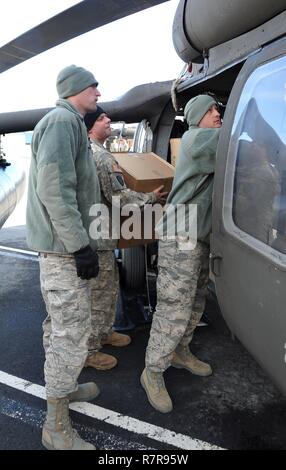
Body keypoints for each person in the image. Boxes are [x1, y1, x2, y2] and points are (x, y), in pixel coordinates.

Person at [26, 65, 102, 450]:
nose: (99, 93)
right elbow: (55, 189)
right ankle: (55, 427)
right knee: (71, 333)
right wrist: (79, 246)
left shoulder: (68, 121)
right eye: (94, 87)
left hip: (63, 247)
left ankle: (65, 388)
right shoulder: (61, 121)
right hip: (63, 250)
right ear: (76, 89)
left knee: (60, 326)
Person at [140, 94, 222, 413]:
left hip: (198, 234)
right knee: (174, 305)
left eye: (218, 108)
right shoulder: (197, 138)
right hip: (181, 234)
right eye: (212, 109)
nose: (218, 113)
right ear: (198, 116)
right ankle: (153, 371)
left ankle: (180, 351)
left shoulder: (208, 137)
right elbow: (241, 143)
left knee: (196, 298)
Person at [83, 106, 168, 370]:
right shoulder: (103, 158)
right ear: (89, 128)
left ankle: (104, 333)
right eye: (101, 118)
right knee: (100, 294)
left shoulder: (88, 153)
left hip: (96, 233)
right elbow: (121, 200)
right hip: (100, 237)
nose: (108, 120)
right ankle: (90, 349)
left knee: (106, 289)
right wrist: (152, 197)